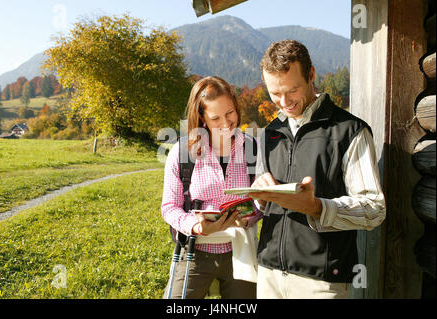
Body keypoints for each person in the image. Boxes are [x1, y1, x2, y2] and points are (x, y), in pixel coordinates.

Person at [249, 40, 386, 299]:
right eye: (274, 93)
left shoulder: (350, 131)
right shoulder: (269, 134)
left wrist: (317, 208)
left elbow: (374, 210)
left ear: (311, 75)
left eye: (292, 90)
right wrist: (261, 198)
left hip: (321, 282)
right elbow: (263, 206)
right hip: (268, 274)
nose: (283, 101)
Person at [161, 76, 262, 299]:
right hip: (195, 251)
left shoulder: (252, 148)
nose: (226, 123)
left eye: (230, 113)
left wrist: (249, 217)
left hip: (240, 251)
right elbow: (169, 207)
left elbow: (260, 201)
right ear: (202, 118)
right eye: (215, 118)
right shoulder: (182, 152)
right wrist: (196, 226)